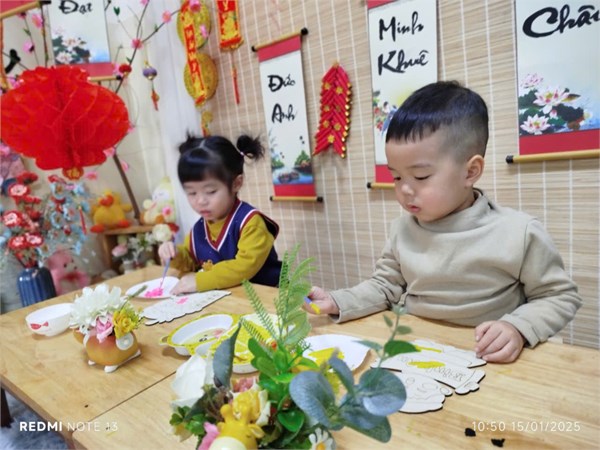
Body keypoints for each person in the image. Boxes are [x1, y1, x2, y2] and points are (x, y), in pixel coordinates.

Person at [306, 81, 582, 363]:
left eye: (421, 177)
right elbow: (384, 287)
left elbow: (559, 296)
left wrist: (518, 328)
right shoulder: (403, 230)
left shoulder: (518, 232)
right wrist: (338, 301)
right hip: (417, 352)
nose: (404, 189)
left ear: (470, 171)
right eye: (396, 177)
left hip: (488, 358)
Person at [158, 134, 281, 294]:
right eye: (192, 193)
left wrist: (201, 281)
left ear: (236, 183)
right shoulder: (199, 229)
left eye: (210, 191)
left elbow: (244, 267)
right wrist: (173, 254)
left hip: (268, 298)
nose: (200, 201)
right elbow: (190, 261)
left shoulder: (250, 223)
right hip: (230, 301)